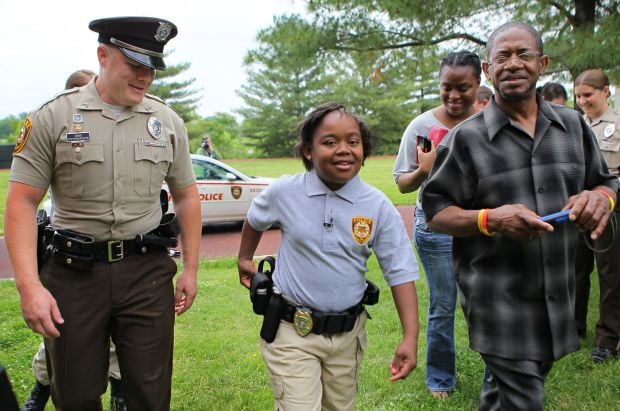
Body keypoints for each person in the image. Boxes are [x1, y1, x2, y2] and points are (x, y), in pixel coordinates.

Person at [5, 16, 201, 410]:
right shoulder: (53, 117)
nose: (145, 77)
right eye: (135, 65)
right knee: (75, 393)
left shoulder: (166, 121)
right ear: (103, 55)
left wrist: (192, 269)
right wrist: (29, 286)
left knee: (150, 392)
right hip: (73, 274)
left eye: (152, 68)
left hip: (145, 272)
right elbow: (21, 201)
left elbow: (187, 195)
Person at [421, 21, 617, 410]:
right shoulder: (467, 139)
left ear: (542, 64)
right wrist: (489, 219)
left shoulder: (573, 127)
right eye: (502, 57)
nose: (513, 64)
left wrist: (601, 200)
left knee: (504, 398)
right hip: (498, 300)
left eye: (524, 55)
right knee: (524, 399)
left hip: (556, 293)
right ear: (487, 70)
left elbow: (606, 182)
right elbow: (436, 212)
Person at [238, 102, 420, 410]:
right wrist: (245, 258)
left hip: (347, 337)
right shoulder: (285, 192)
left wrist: (410, 337)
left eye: (353, 141)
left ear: (364, 149)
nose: (344, 150)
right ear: (308, 150)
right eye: (329, 142)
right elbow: (255, 219)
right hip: (291, 330)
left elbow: (400, 272)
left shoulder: (376, 206)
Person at [22, 69, 126, 411]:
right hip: (68, 263)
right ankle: (42, 387)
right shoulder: (58, 133)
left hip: (116, 266)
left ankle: (120, 394)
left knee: (117, 342)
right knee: (59, 341)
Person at [392, 50, 481, 399]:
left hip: (480, 226)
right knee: (443, 305)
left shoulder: (488, 123)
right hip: (435, 229)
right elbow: (402, 183)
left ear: (478, 84)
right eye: (447, 87)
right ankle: (440, 379)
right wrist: (424, 169)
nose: (454, 96)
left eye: (463, 87)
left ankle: (498, 375)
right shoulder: (421, 126)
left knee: (484, 303)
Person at [573, 68, 620, 362]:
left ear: (606, 92)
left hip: (609, 208)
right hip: (577, 208)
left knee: (610, 274)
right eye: (578, 96)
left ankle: (607, 339)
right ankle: (573, 327)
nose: (582, 101)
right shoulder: (576, 125)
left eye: (588, 95)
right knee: (575, 271)